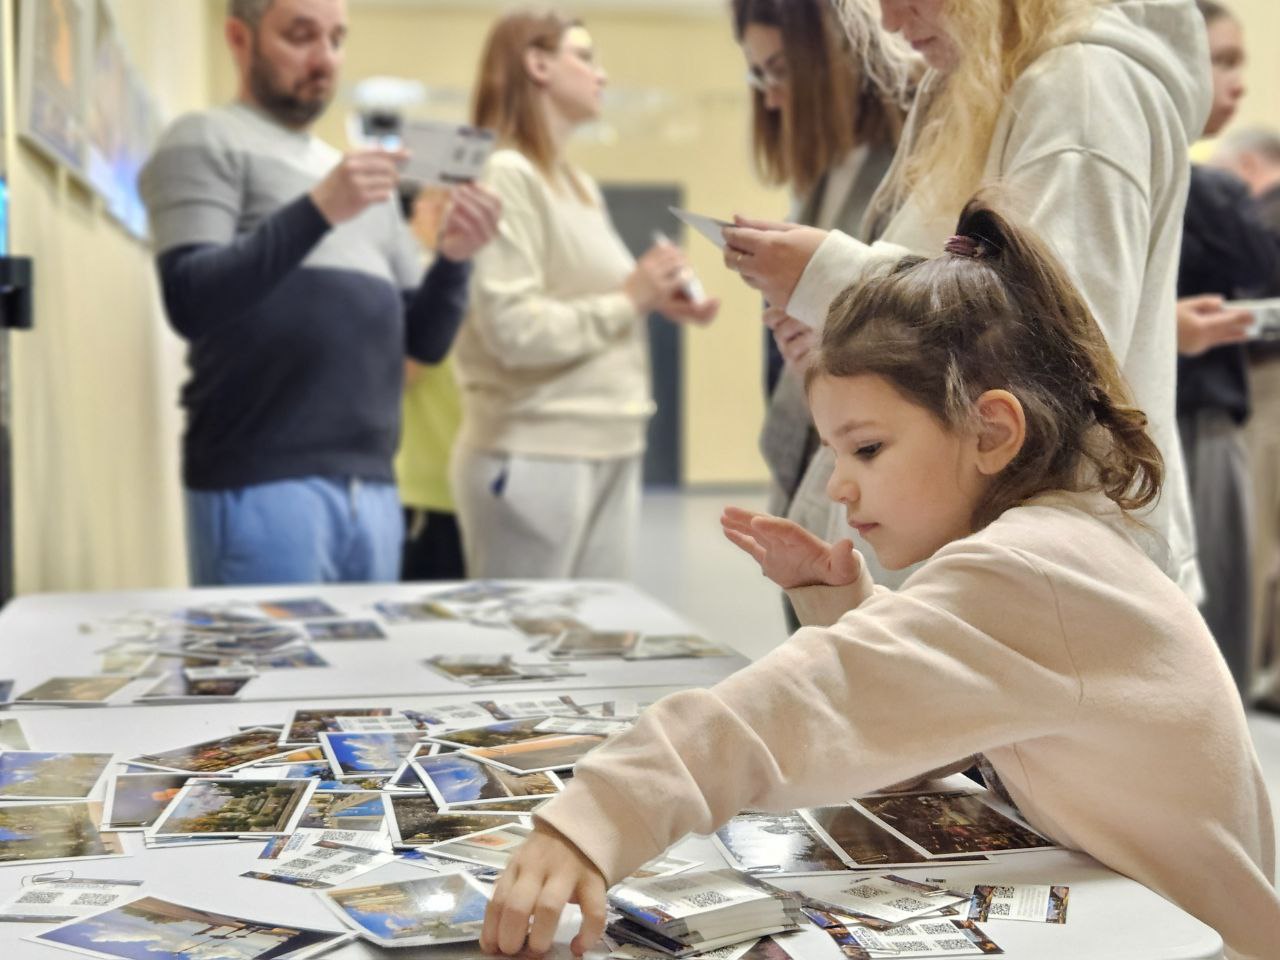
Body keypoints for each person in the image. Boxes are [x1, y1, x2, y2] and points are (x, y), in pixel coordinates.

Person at [480, 199, 1280, 960]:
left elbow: (807, 700)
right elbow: (923, 710)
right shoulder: (1052, 544)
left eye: (866, 450)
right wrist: (844, 607)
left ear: (991, 431)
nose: (838, 486)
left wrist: (603, 811)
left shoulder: (1027, 566)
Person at [718, 0, 1208, 600]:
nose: (891, 23)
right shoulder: (998, 85)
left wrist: (832, 280)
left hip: (1039, 581)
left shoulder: (1078, 92)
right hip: (991, 571)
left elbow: (1048, 351)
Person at [139, 0, 500, 586]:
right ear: (239, 37)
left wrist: (455, 260)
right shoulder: (204, 139)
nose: (324, 58)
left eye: (336, 39)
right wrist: (319, 210)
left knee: (363, 680)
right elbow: (190, 299)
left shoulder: (366, 187)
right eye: (302, 36)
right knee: (263, 678)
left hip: (375, 487)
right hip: (258, 481)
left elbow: (425, 342)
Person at [450, 8, 717, 580]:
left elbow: (593, 295)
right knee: (526, 656)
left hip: (606, 442)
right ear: (537, 65)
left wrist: (654, 296)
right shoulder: (506, 174)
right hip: (536, 449)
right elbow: (514, 333)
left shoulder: (576, 184)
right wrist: (629, 300)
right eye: (586, 56)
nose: (602, 75)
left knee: (591, 653)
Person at [732, 0, 915, 611]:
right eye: (760, 76)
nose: (774, 97)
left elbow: (938, 310)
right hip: (808, 443)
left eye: (781, 70)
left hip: (873, 455)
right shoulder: (821, 171)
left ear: (837, 53)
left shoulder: (909, 162)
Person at [1173, 0, 1279, 697]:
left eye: (1242, 60)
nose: (1236, 80)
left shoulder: (1213, 193)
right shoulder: (1196, 190)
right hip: (1169, 431)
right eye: (1222, 60)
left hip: (1200, 428)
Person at [1214, 125, 1280, 710]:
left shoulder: (1262, 213)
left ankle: (1251, 675)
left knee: (1259, 538)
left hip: (1267, 384)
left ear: (1251, 167)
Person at [395, 185, 466, 581]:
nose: (431, 210)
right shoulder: (418, 280)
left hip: (451, 483)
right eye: (428, 201)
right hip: (427, 485)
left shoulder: (449, 282)